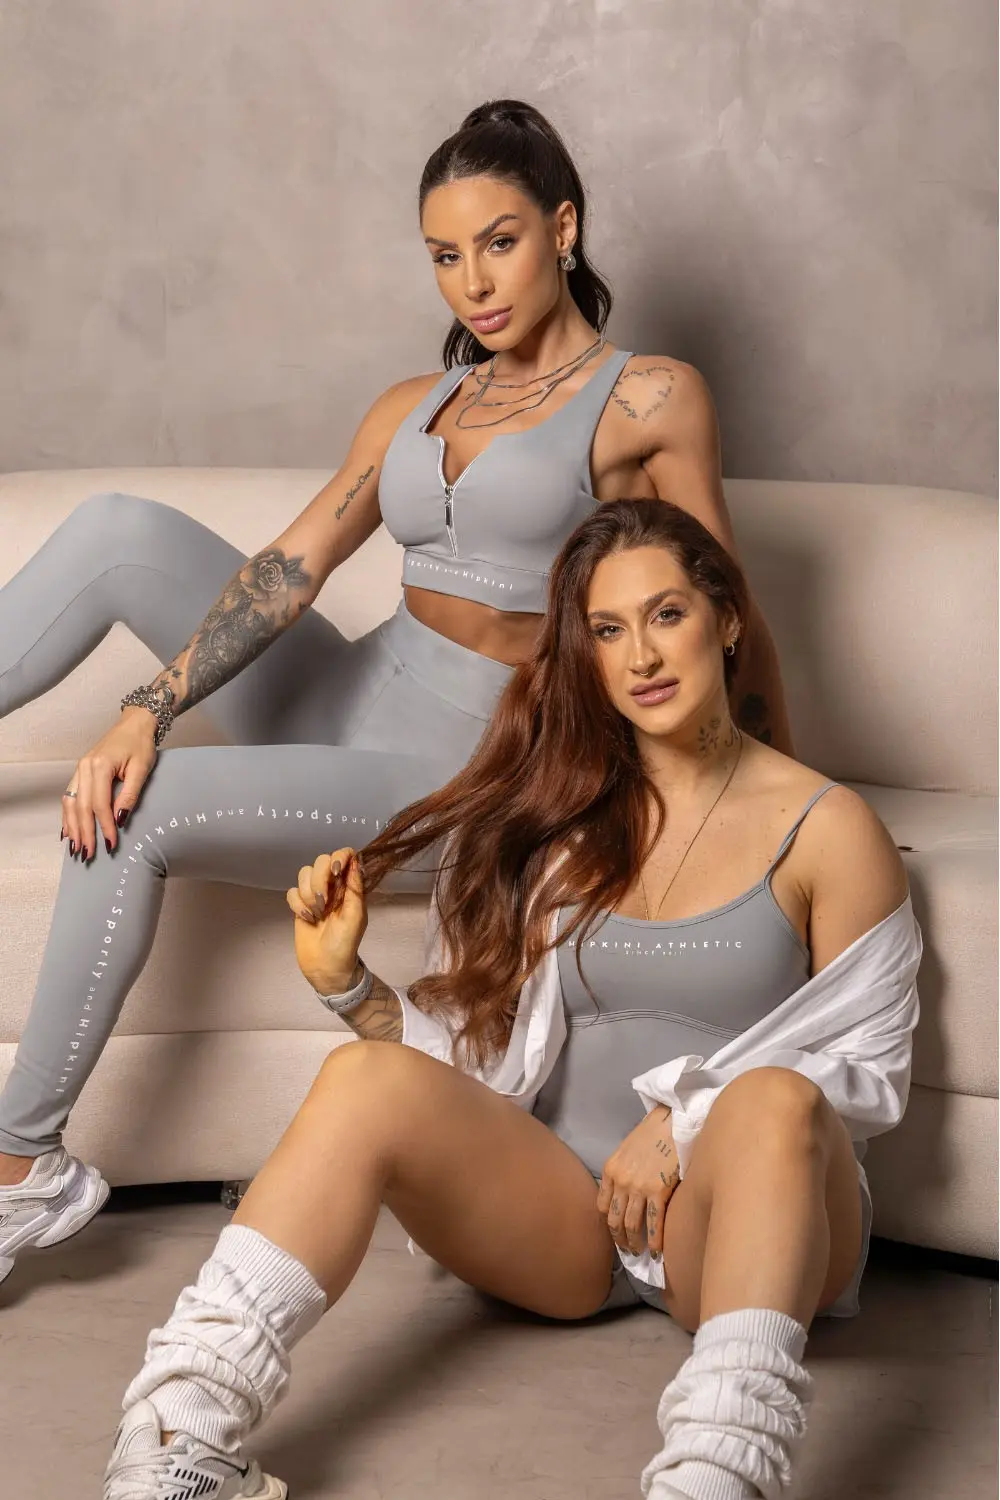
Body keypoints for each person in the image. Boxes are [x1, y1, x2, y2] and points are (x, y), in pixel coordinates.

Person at [0, 99, 791, 1282]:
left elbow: (725, 609)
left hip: (465, 763)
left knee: (136, 808)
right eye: (443, 254)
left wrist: (783, 809)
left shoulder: (646, 400)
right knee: (118, 528)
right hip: (352, 687)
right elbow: (292, 567)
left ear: (562, 228)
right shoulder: (415, 403)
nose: (473, 281)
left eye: (499, 242)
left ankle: (21, 1165)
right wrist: (146, 706)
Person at [101, 499, 920, 1500]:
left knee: (777, 1098)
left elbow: (866, 1068)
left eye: (666, 615)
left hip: (733, 1233)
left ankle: (719, 1479)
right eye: (607, 630)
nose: (641, 657)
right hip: (566, 1219)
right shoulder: (554, 820)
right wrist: (348, 986)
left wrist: (684, 1123)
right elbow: (484, 1066)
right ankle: (176, 1438)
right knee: (361, 1077)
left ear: (728, 619)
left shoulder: (828, 828)